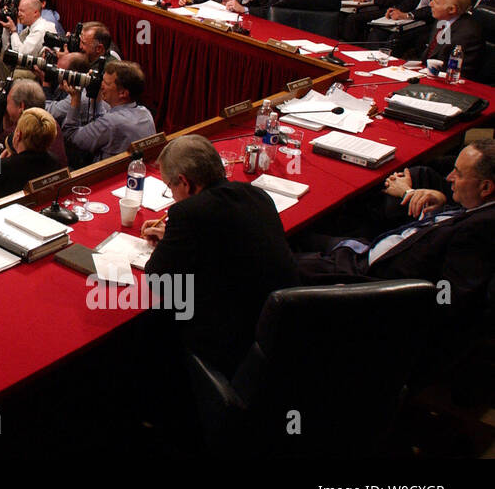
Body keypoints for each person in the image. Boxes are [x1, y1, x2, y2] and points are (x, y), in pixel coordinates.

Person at [294, 141, 495, 347]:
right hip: (368, 249)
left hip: (363, 276)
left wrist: (391, 297)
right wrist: (442, 205)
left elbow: (449, 298)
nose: (449, 177)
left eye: (459, 174)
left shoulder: (479, 232)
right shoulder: (478, 209)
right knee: (301, 233)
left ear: (486, 187)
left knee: (282, 260)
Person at [139, 135, 298, 377]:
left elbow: (158, 278)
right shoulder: (257, 196)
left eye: (170, 186)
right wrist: (173, 237)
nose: (171, 194)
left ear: (185, 182)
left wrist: (171, 242)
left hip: (230, 343)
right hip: (281, 330)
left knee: (149, 329)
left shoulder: (187, 213)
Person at [59, 60, 156, 164]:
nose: (101, 86)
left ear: (123, 93)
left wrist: (75, 97)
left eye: (106, 83)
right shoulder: (146, 114)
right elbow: (104, 124)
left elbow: (70, 136)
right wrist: (97, 97)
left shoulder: (112, 122)